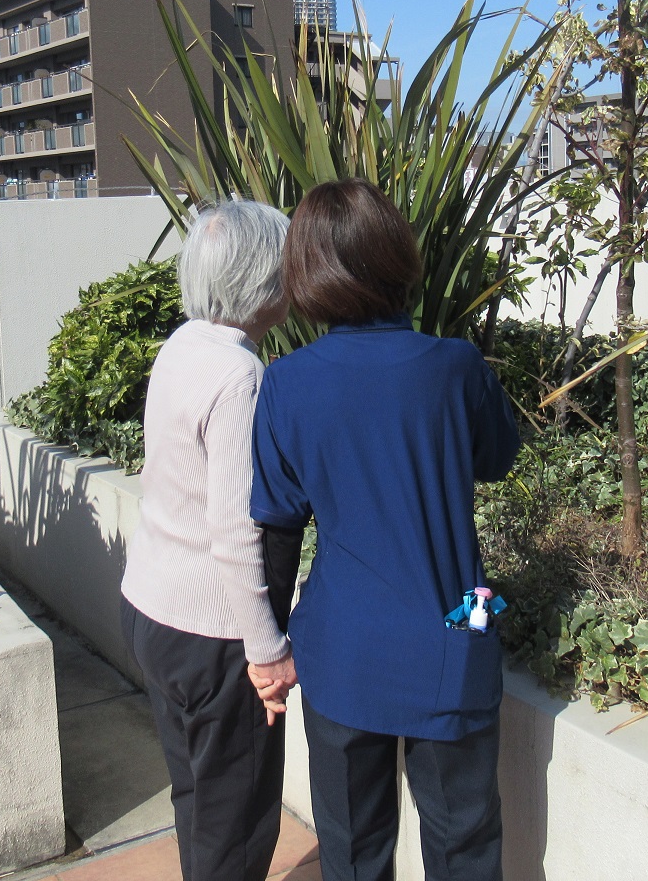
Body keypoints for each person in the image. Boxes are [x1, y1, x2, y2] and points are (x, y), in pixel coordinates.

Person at [249, 178, 520, 881]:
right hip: (455, 636)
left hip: (342, 650)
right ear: (397, 254)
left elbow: (277, 532)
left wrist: (270, 651)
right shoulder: (456, 366)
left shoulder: (286, 383)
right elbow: (497, 458)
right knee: (465, 847)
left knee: (352, 852)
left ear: (306, 271)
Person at [120, 199, 301, 881]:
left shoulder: (182, 345)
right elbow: (234, 528)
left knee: (197, 800)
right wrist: (267, 650)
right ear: (262, 279)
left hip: (151, 608)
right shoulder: (240, 376)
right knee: (239, 825)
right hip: (212, 636)